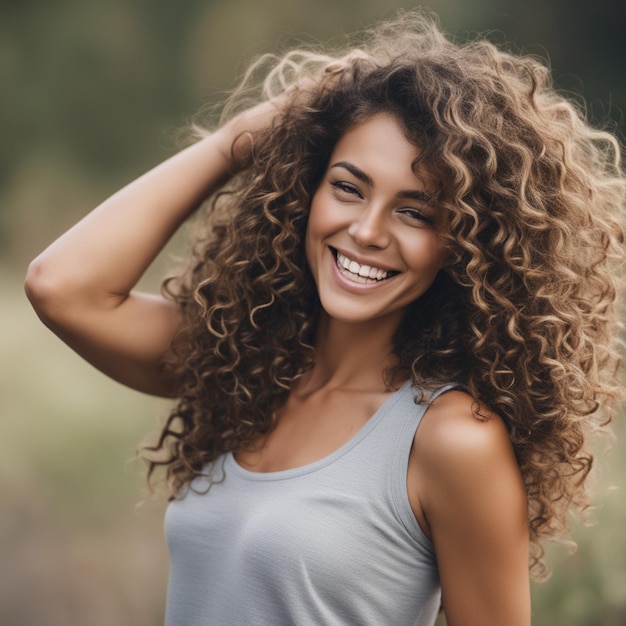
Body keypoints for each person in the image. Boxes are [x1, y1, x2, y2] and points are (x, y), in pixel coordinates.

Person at [25, 10, 625, 626]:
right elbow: (62, 287)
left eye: (415, 212)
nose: (366, 231)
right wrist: (247, 135)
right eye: (347, 187)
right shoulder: (242, 364)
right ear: (303, 190)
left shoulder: (452, 441)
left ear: (465, 245)